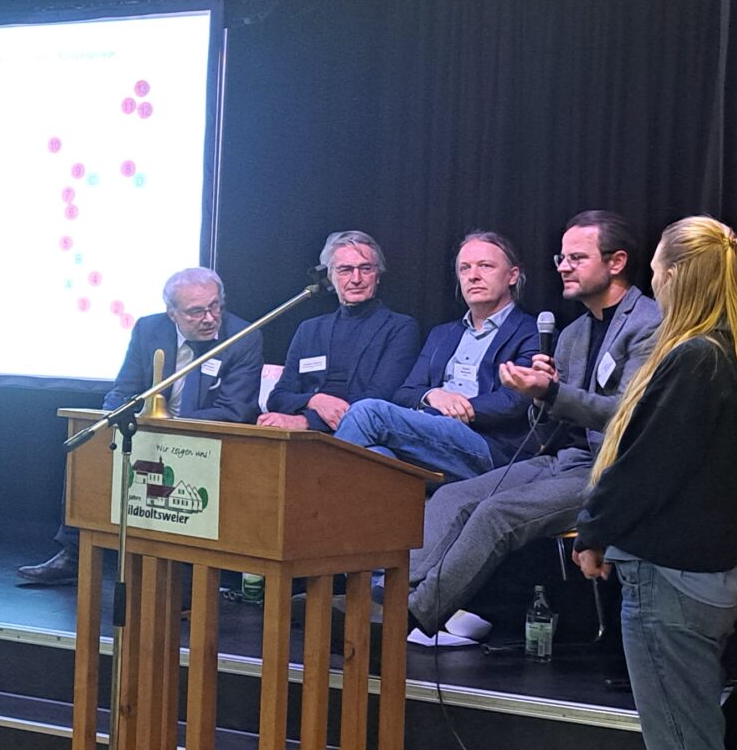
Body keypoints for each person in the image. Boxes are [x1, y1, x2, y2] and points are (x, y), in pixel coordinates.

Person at [572, 216, 737, 750]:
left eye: (657, 265)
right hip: (700, 582)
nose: (652, 277)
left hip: (669, 588)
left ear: (678, 274)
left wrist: (591, 531)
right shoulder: (729, 353)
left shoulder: (694, 358)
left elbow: (645, 468)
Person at [401, 211, 662, 646]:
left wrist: (552, 392)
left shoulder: (648, 324)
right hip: (563, 458)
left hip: (614, 467)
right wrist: (538, 397)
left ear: (616, 262)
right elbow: (549, 423)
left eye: (577, 258)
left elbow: (628, 415)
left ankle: (410, 615)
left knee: (496, 513)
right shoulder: (574, 332)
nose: (563, 267)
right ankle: (387, 595)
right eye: (561, 258)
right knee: (452, 496)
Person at [16, 267, 263, 586]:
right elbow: (125, 389)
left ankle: (187, 571)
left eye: (215, 306)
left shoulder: (243, 337)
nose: (209, 318)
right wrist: (109, 421)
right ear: (172, 312)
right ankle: (74, 553)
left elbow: (234, 410)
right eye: (196, 311)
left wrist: (173, 428)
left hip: (209, 437)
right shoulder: (149, 329)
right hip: (147, 428)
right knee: (91, 444)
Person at [332, 232, 543, 484]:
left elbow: (515, 400)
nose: (473, 276)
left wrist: (455, 408)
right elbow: (405, 393)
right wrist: (432, 395)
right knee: (377, 456)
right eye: (465, 268)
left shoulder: (532, 332)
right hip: (431, 436)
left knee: (367, 412)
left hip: (489, 445)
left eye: (485, 266)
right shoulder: (443, 333)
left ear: (512, 275)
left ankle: (308, 500)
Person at [258, 231, 421, 432]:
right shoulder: (309, 330)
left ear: (377, 275)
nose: (356, 279)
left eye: (365, 269)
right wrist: (315, 400)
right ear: (330, 277)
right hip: (303, 436)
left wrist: (307, 422)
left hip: (362, 436)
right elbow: (278, 398)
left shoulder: (399, 328)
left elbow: (380, 398)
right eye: (345, 270)